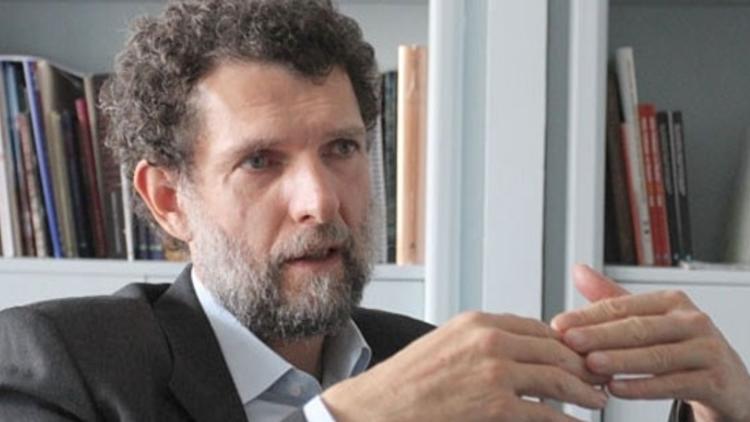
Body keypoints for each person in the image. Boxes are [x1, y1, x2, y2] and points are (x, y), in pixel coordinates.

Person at [1, 0, 748, 421]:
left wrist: (725, 410)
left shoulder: (421, 357)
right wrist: (352, 418)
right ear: (169, 200)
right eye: (261, 161)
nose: (322, 200)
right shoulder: (57, 363)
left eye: (342, 149)